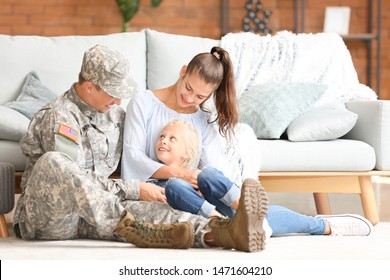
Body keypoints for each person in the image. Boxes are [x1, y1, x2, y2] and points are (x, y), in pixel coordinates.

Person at [12, 44, 268, 253]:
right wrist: (135, 188)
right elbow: (75, 180)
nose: (119, 100)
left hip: (95, 217)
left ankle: (227, 232)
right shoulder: (59, 117)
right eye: (113, 93)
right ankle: (131, 227)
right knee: (53, 161)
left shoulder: (114, 116)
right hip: (50, 217)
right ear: (90, 86)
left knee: (163, 214)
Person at [121, 46, 373, 238]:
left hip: (198, 193)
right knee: (183, 189)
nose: (189, 99)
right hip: (166, 189)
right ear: (183, 71)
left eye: (200, 96)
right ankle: (255, 220)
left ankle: (321, 225)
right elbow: (132, 155)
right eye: (187, 88)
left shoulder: (203, 120)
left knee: (217, 184)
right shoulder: (144, 102)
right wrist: (178, 173)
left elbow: (212, 167)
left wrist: (198, 179)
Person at [153, 118, 374, 237]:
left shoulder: (198, 173)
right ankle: (235, 224)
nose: (164, 140)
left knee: (209, 174)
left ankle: (324, 226)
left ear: (187, 152)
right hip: (214, 226)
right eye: (162, 136)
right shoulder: (155, 179)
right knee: (174, 186)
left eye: (173, 138)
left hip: (231, 211)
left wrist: (200, 185)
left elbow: (213, 181)